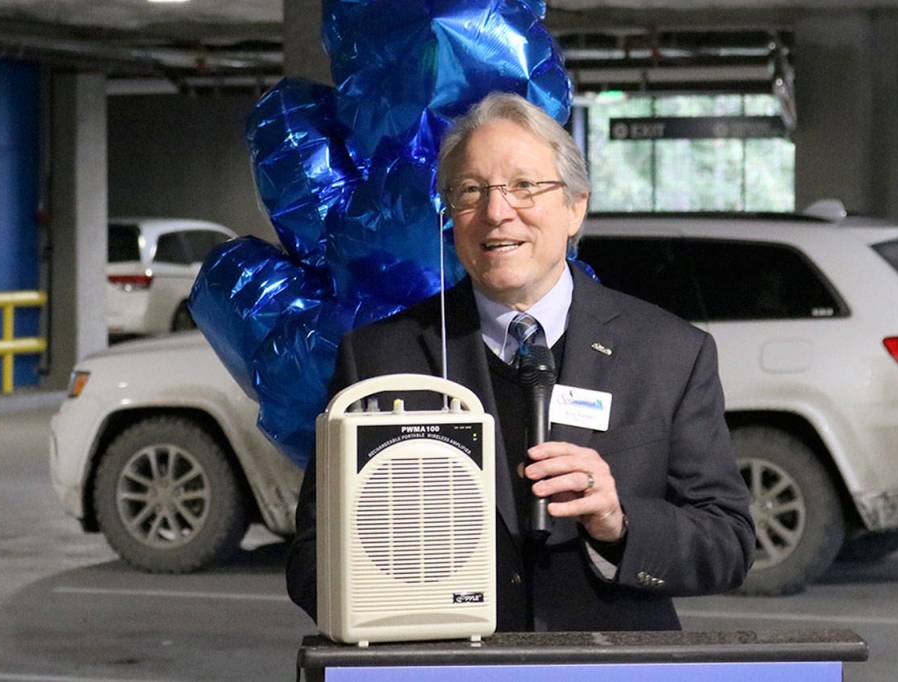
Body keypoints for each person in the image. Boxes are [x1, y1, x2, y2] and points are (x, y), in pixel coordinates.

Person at [286, 92, 754, 631]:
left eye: (524, 187)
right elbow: (310, 559)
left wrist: (619, 523)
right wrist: (394, 575)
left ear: (576, 205)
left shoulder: (670, 352)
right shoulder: (379, 357)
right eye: (470, 191)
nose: (496, 211)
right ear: (450, 218)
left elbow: (728, 543)